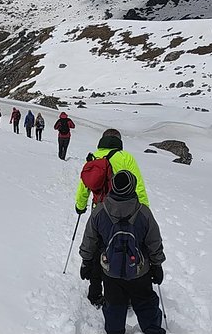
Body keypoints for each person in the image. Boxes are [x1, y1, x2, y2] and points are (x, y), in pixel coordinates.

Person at [79, 170, 166, 334]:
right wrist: (157, 265)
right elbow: (154, 242)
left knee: (114, 304)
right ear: (132, 187)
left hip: (111, 271)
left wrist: (86, 262)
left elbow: (89, 239)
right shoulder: (143, 212)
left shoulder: (100, 211)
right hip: (140, 272)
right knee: (146, 302)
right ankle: (153, 330)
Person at [75, 128, 151, 307]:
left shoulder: (93, 157)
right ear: (119, 140)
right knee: (125, 248)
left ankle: (95, 293)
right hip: (125, 212)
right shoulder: (125, 157)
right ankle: (126, 291)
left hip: (99, 210)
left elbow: (84, 186)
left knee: (97, 249)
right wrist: (144, 211)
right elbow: (138, 185)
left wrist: (80, 206)